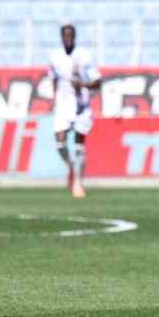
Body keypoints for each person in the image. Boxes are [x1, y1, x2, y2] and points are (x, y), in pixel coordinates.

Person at [48, 24, 100, 198]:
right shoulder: (55, 56)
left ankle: (78, 181)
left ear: (74, 36)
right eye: (65, 35)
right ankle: (71, 167)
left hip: (81, 104)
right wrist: (53, 98)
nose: (68, 38)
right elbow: (54, 78)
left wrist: (82, 85)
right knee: (60, 143)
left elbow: (97, 81)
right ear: (61, 37)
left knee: (79, 144)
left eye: (71, 35)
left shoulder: (84, 56)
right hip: (63, 103)